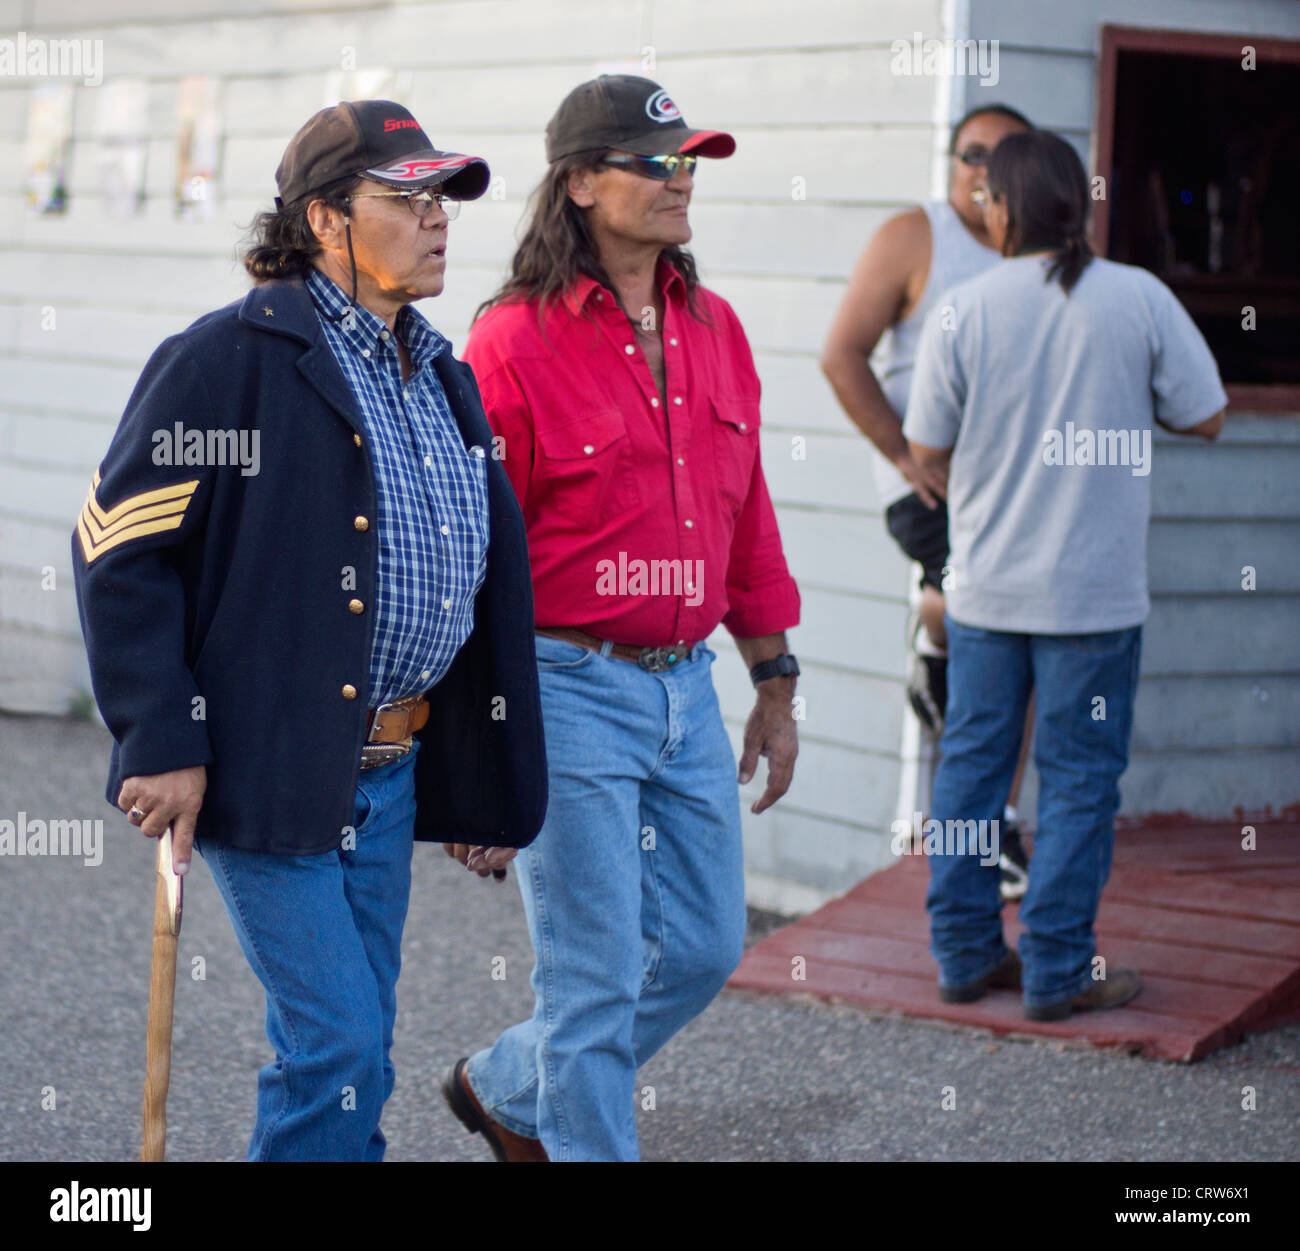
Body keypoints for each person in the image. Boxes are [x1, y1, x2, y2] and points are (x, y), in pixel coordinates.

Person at [72, 100, 548, 1160]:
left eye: (442, 199)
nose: (436, 219)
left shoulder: (444, 376)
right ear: (327, 219)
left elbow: (477, 584)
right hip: (267, 762)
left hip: (390, 768)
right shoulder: (226, 360)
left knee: (352, 1044)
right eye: (406, 197)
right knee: (338, 1046)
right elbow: (119, 548)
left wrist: (485, 764)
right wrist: (162, 734)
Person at [441, 75, 801, 1162]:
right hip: (563, 685)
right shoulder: (509, 340)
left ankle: (508, 1083)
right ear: (582, 184)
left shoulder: (716, 328)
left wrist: (773, 683)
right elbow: (471, 552)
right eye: (653, 162)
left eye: (687, 159)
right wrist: (475, 744)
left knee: (701, 946)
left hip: (687, 687)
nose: (678, 177)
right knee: (592, 977)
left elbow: (746, 522)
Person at [903, 129, 1226, 1019]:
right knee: (1079, 778)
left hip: (986, 591)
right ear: (1076, 207)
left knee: (971, 769)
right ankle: (1054, 970)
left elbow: (925, 447)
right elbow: (1207, 418)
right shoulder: (1139, 297)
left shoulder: (965, 309)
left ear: (1002, 209)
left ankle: (966, 954)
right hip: (1093, 596)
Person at [821, 103, 1035, 900]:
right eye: (969, 153)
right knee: (996, 641)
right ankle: (985, 837)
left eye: (1002, 155)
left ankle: (936, 641)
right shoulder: (917, 237)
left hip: (1017, 487)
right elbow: (841, 354)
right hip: (935, 487)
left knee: (1019, 646)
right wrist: (904, 453)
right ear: (951, 164)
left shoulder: (1039, 246)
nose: (982, 168)